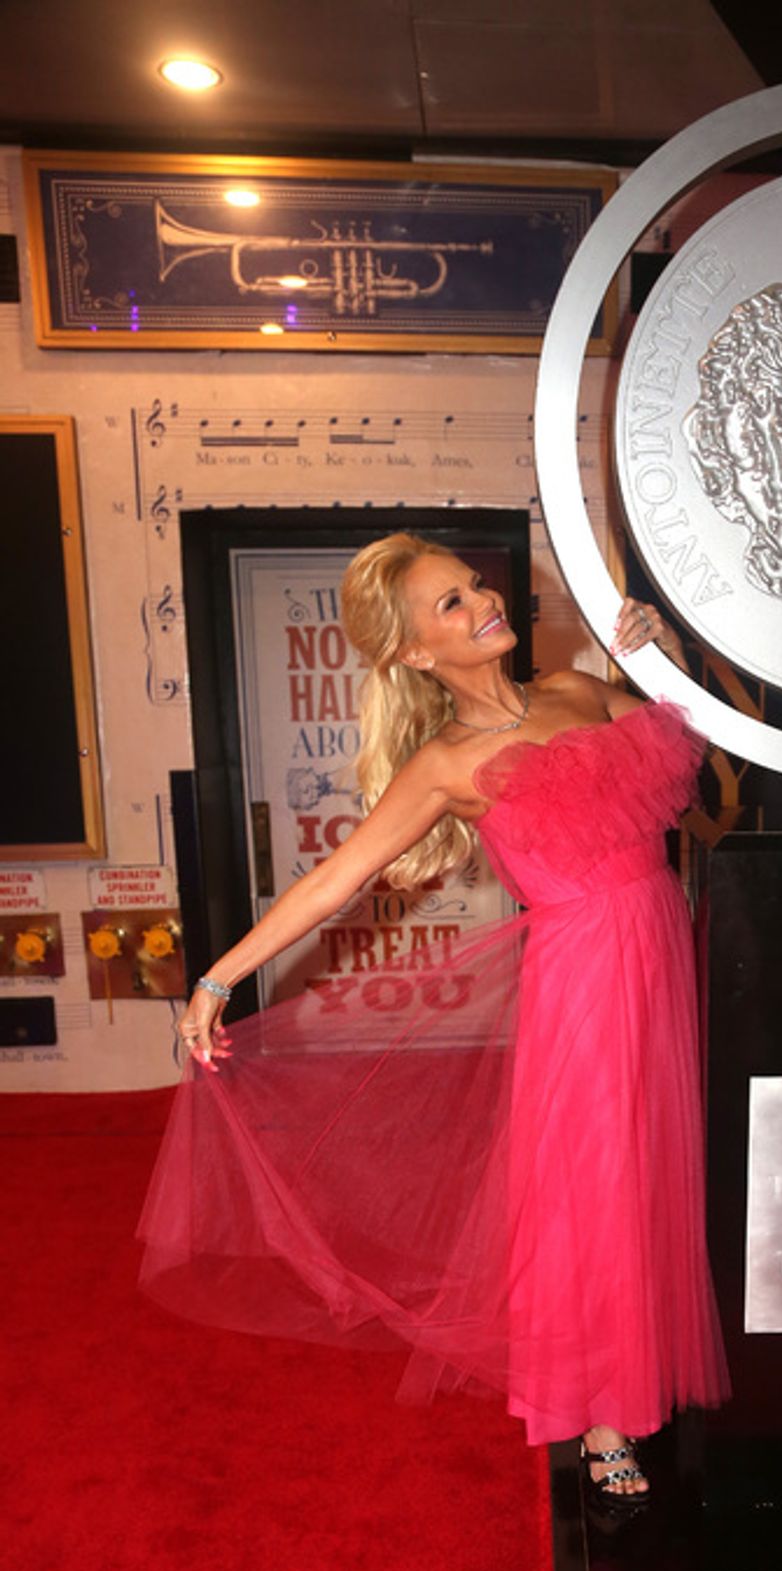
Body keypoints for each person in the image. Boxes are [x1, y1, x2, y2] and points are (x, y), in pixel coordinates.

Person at [139, 533, 730, 1506]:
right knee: (593, 1190)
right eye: (447, 605)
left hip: (664, 952)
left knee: (658, 1168)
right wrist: (216, 979)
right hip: (582, 979)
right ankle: (599, 1412)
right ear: (413, 654)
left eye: (472, 585)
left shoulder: (576, 692)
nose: (481, 602)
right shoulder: (445, 763)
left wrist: (660, 657)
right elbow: (335, 880)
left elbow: (694, 746)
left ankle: (639, 1361)